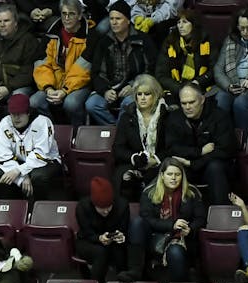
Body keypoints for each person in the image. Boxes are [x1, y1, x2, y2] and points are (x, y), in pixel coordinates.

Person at [122, 158, 206, 283]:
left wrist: (191, 229)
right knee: (137, 223)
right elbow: (147, 219)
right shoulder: (149, 192)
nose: (174, 178)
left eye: (177, 175)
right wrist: (171, 225)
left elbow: (200, 218)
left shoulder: (192, 193)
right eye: (170, 174)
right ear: (162, 175)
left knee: (175, 252)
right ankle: (135, 271)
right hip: (155, 235)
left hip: (181, 238)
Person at [161, 84, 237, 206]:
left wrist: (193, 163)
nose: (187, 107)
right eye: (183, 103)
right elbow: (172, 148)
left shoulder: (219, 116)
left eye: (191, 102)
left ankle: (220, 215)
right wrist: (199, 152)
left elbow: (224, 150)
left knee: (215, 167)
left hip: (211, 166)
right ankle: (173, 217)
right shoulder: (175, 118)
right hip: (186, 166)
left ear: (202, 99)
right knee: (170, 169)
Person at [85, 2, 158, 126]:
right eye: (111, 19)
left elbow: (150, 69)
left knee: (128, 103)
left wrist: (134, 86)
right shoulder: (104, 42)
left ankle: (120, 133)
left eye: (118, 19)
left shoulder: (142, 40)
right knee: (92, 104)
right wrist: (105, 90)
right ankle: (116, 129)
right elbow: (96, 72)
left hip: (135, 88)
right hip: (110, 88)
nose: (114, 22)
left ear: (128, 20)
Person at [0, 93, 62, 200]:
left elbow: (41, 155)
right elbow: (2, 156)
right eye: (13, 114)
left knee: (38, 177)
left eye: (20, 114)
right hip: (18, 162)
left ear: (28, 112)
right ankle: (13, 207)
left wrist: (19, 171)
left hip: (46, 162)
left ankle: (37, 209)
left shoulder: (42, 122)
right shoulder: (5, 123)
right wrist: (22, 177)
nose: (16, 118)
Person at [31, 0, 93, 125]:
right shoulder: (50, 35)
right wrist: (48, 88)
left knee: (71, 103)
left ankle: (75, 135)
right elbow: (42, 65)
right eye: (64, 13)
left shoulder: (89, 37)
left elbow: (83, 71)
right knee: (35, 102)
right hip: (53, 84)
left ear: (80, 16)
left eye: (71, 14)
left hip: (79, 85)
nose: (66, 18)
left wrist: (65, 90)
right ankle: (52, 132)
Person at [111, 74, 168, 202]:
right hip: (134, 162)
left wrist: (156, 159)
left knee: (158, 175)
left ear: (156, 95)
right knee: (123, 177)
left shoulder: (167, 116)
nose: (142, 98)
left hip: (160, 163)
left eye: (147, 94)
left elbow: (173, 147)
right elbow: (118, 148)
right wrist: (134, 158)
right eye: (139, 94)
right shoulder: (127, 117)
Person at [77, 177, 133, 283]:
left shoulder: (122, 205)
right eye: (101, 208)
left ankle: (124, 282)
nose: (106, 211)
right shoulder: (82, 207)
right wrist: (99, 238)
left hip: (114, 241)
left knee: (120, 251)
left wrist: (121, 236)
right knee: (101, 252)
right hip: (88, 240)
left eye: (109, 207)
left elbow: (124, 228)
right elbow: (86, 232)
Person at [155, 11, 214, 101]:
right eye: (178, 22)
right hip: (176, 90)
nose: (180, 26)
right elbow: (161, 74)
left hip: (201, 88)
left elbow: (214, 69)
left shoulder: (206, 41)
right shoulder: (170, 42)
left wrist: (199, 82)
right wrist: (180, 88)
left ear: (193, 24)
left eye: (185, 22)